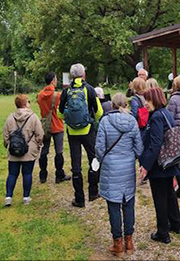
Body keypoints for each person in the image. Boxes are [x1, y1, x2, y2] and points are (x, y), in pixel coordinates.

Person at [95, 93, 143, 257]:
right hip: (128, 167)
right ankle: (129, 241)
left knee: (113, 206)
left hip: (111, 167)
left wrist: (102, 159)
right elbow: (139, 148)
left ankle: (118, 243)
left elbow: (100, 148)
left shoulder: (105, 121)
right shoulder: (132, 121)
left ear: (112, 105)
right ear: (126, 105)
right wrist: (132, 157)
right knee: (128, 203)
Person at [138, 88, 180, 244]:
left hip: (159, 164)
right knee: (170, 194)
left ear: (154, 99)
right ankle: (176, 224)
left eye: (148, 101)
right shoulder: (166, 112)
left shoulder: (156, 116)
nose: (146, 104)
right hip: (170, 160)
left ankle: (163, 232)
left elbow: (155, 144)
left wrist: (146, 166)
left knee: (160, 198)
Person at [58, 63, 103, 208]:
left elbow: (59, 113)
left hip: (72, 132)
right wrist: (91, 122)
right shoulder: (89, 89)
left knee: (75, 165)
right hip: (88, 130)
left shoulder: (66, 91)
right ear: (83, 75)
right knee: (93, 160)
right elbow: (99, 112)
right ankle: (93, 192)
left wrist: (69, 119)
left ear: (71, 76)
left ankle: (79, 199)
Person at [3, 95, 44, 206]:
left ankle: (8, 196)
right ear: (26, 104)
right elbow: (40, 133)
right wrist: (38, 144)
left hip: (13, 151)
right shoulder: (33, 117)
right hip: (29, 151)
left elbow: (5, 135)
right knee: (27, 174)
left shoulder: (10, 117)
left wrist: (8, 145)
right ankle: (26, 197)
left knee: (12, 174)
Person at [37, 72, 71, 184]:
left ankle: (43, 175)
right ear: (53, 81)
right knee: (59, 151)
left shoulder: (40, 95)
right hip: (57, 125)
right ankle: (59, 175)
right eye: (55, 79)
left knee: (44, 151)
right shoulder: (58, 95)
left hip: (45, 127)